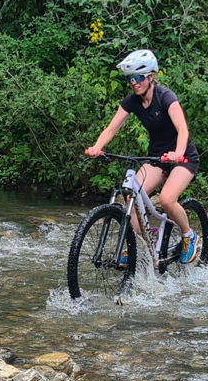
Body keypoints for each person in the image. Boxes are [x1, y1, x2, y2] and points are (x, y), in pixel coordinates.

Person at [85, 49, 201, 264]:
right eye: (130, 79)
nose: (133, 83)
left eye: (138, 78)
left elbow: (183, 130)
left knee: (167, 199)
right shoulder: (132, 101)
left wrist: (177, 153)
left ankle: (188, 235)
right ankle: (131, 247)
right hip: (157, 158)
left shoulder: (166, 97)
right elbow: (111, 128)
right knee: (131, 195)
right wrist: (97, 147)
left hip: (183, 158)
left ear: (151, 77)